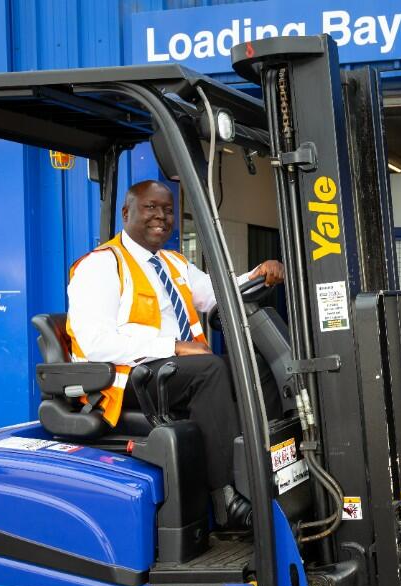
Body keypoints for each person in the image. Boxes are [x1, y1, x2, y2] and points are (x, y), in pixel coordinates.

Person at [66, 179, 284, 522]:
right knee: (210, 370)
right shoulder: (101, 265)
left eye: (168, 210)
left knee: (255, 365)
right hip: (124, 379)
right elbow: (96, 343)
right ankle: (226, 495)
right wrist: (173, 347)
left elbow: (217, 293)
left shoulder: (173, 263)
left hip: (169, 372)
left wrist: (259, 274)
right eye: (151, 208)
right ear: (126, 213)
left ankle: (270, 463)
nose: (161, 217)